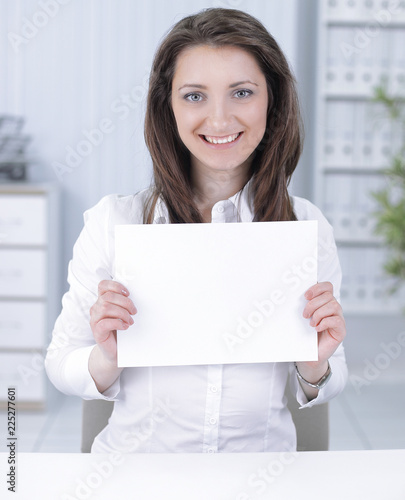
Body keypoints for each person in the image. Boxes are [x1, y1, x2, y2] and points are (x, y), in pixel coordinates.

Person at [45, 7, 347, 454]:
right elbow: (59, 364)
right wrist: (108, 357)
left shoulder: (305, 226)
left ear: (273, 100)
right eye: (194, 96)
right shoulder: (115, 222)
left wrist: (313, 364)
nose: (220, 120)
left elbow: (330, 373)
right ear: (167, 106)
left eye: (242, 92)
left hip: (261, 477)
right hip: (135, 476)